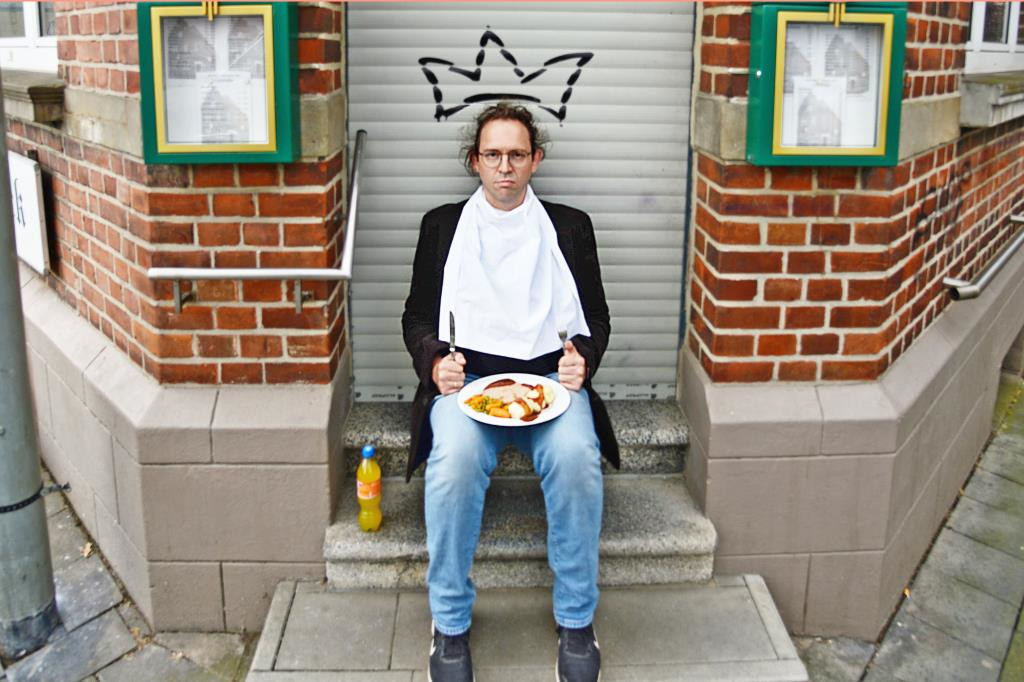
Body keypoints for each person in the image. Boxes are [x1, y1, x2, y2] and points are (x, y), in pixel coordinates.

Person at [402, 102, 619, 682]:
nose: (505, 167)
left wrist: (583, 358)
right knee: (453, 465)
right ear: (474, 161)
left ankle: (576, 620)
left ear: (535, 159)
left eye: (517, 155)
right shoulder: (442, 227)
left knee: (577, 459)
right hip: (470, 382)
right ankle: (449, 624)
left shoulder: (570, 227)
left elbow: (596, 316)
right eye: (493, 155)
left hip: (549, 383)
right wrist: (435, 363)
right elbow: (417, 317)